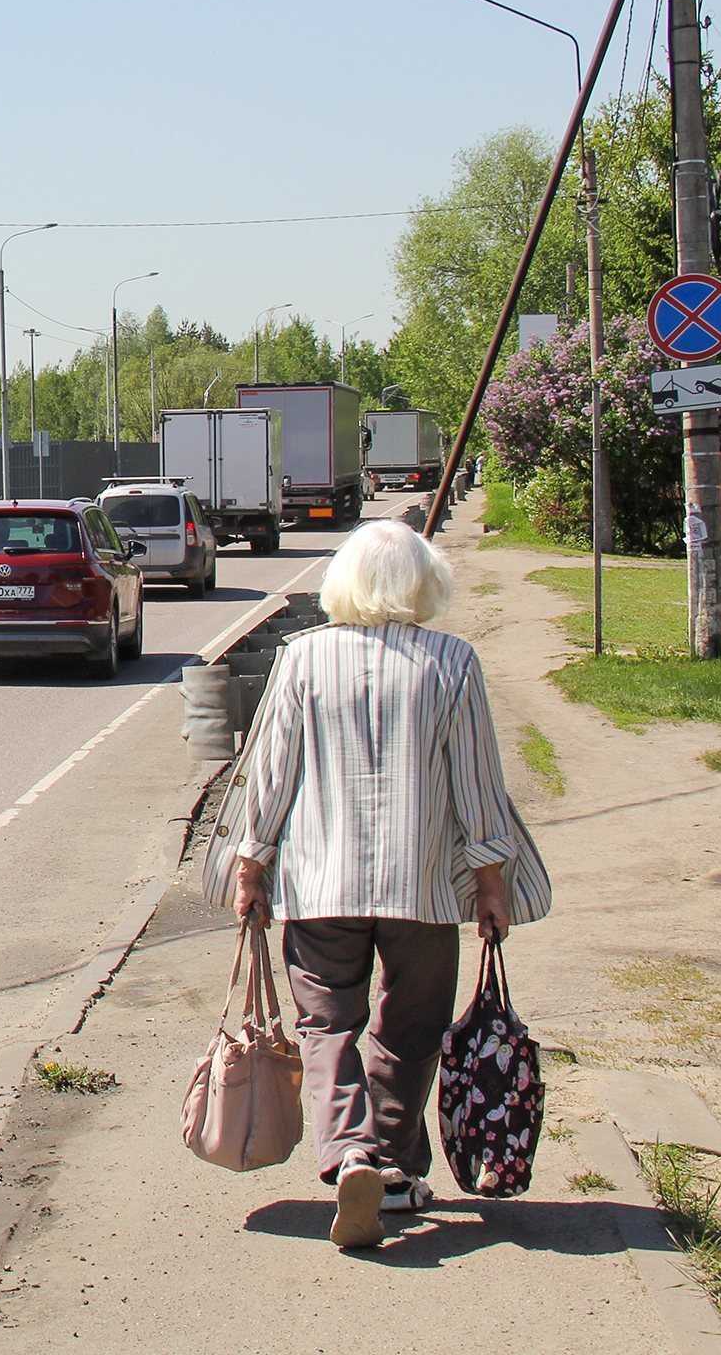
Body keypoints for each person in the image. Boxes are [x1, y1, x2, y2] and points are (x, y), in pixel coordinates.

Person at [228, 520, 550, 1251]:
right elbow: (477, 785)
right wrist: (491, 881)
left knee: (327, 1024)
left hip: (322, 884)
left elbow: (269, 777)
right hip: (425, 887)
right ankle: (396, 1172)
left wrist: (253, 866)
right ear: (423, 584)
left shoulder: (302, 660)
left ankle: (345, 1152)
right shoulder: (453, 663)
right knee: (410, 1030)